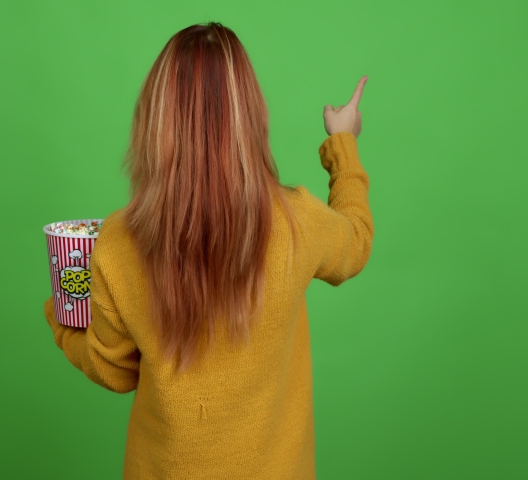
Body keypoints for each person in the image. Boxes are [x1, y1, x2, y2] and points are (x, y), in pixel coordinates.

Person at [43, 21, 373, 480]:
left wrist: (62, 318)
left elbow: (114, 372)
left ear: (155, 120)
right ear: (251, 116)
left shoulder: (118, 242)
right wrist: (344, 145)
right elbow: (355, 241)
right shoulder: (297, 221)